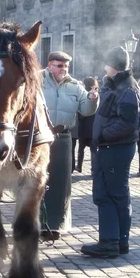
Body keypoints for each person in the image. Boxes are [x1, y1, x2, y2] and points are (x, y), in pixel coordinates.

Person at [81, 46, 140, 258]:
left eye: (107, 63)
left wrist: (104, 135)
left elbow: (128, 123)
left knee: (110, 194)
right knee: (111, 193)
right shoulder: (117, 85)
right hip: (109, 148)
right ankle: (117, 241)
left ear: (112, 66)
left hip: (114, 148)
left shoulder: (127, 88)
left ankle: (110, 242)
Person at [42, 51, 99, 240]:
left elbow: (86, 110)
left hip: (63, 137)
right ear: (50, 65)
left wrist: (92, 99)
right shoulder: (37, 80)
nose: (63, 69)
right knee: (35, 181)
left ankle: (54, 225)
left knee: (60, 182)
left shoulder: (76, 86)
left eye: (66, 66)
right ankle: (33, 222)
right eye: (59, 65)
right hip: (39, 137)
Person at [76, 77, 99, 173]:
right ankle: (94, 169)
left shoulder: (84, 95)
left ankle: (79, 166)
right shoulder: (97, 96)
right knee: (93, 151)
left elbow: (81, 113)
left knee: (81, 149)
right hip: (94, 128)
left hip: (84, 127)